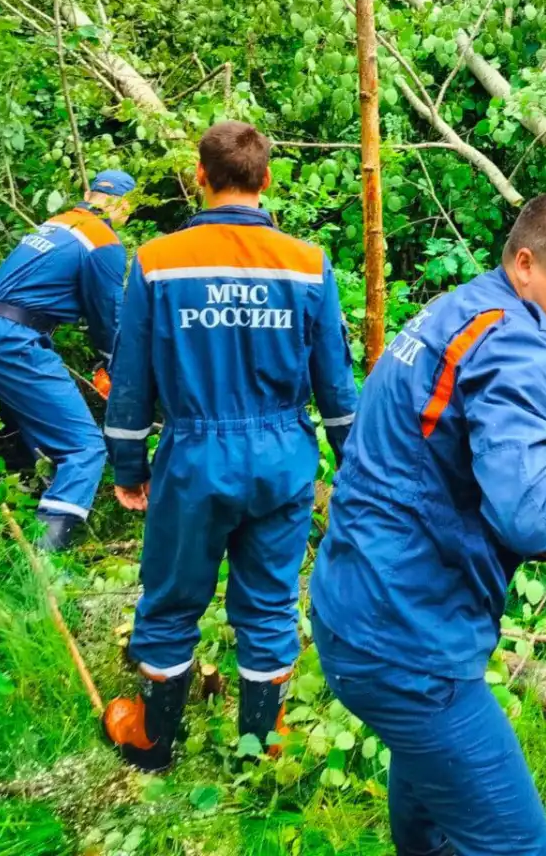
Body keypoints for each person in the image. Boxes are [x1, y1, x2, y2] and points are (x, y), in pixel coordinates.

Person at [311, 192, 546, 856]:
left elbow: (454, 478)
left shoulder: (459, 311)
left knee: (432, 822)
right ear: (527, 264)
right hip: (410, 647)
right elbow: (529, 511)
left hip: (356, 612)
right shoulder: (516, 344)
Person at [100, 122, 357, 772]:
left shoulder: (156, 262)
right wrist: (352, 465)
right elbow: (335, 384)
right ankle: (258, 747)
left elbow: (131, 381)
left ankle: (152, 743)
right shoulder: (307, 264)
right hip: (282, 459)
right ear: (265, 179)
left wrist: (129, 466)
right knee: (270, 601)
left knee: (171, 599)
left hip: (194, 459)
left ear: (200, 176)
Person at [0, 169, 136, 551]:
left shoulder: (56, 224)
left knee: (43, 444)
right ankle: (44, 566)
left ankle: (8, 540)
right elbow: (108, 317)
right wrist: (121, 370)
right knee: (84, 449)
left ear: (90, 194)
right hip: (15, 341)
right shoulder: (102, 240)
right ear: (123, 204)